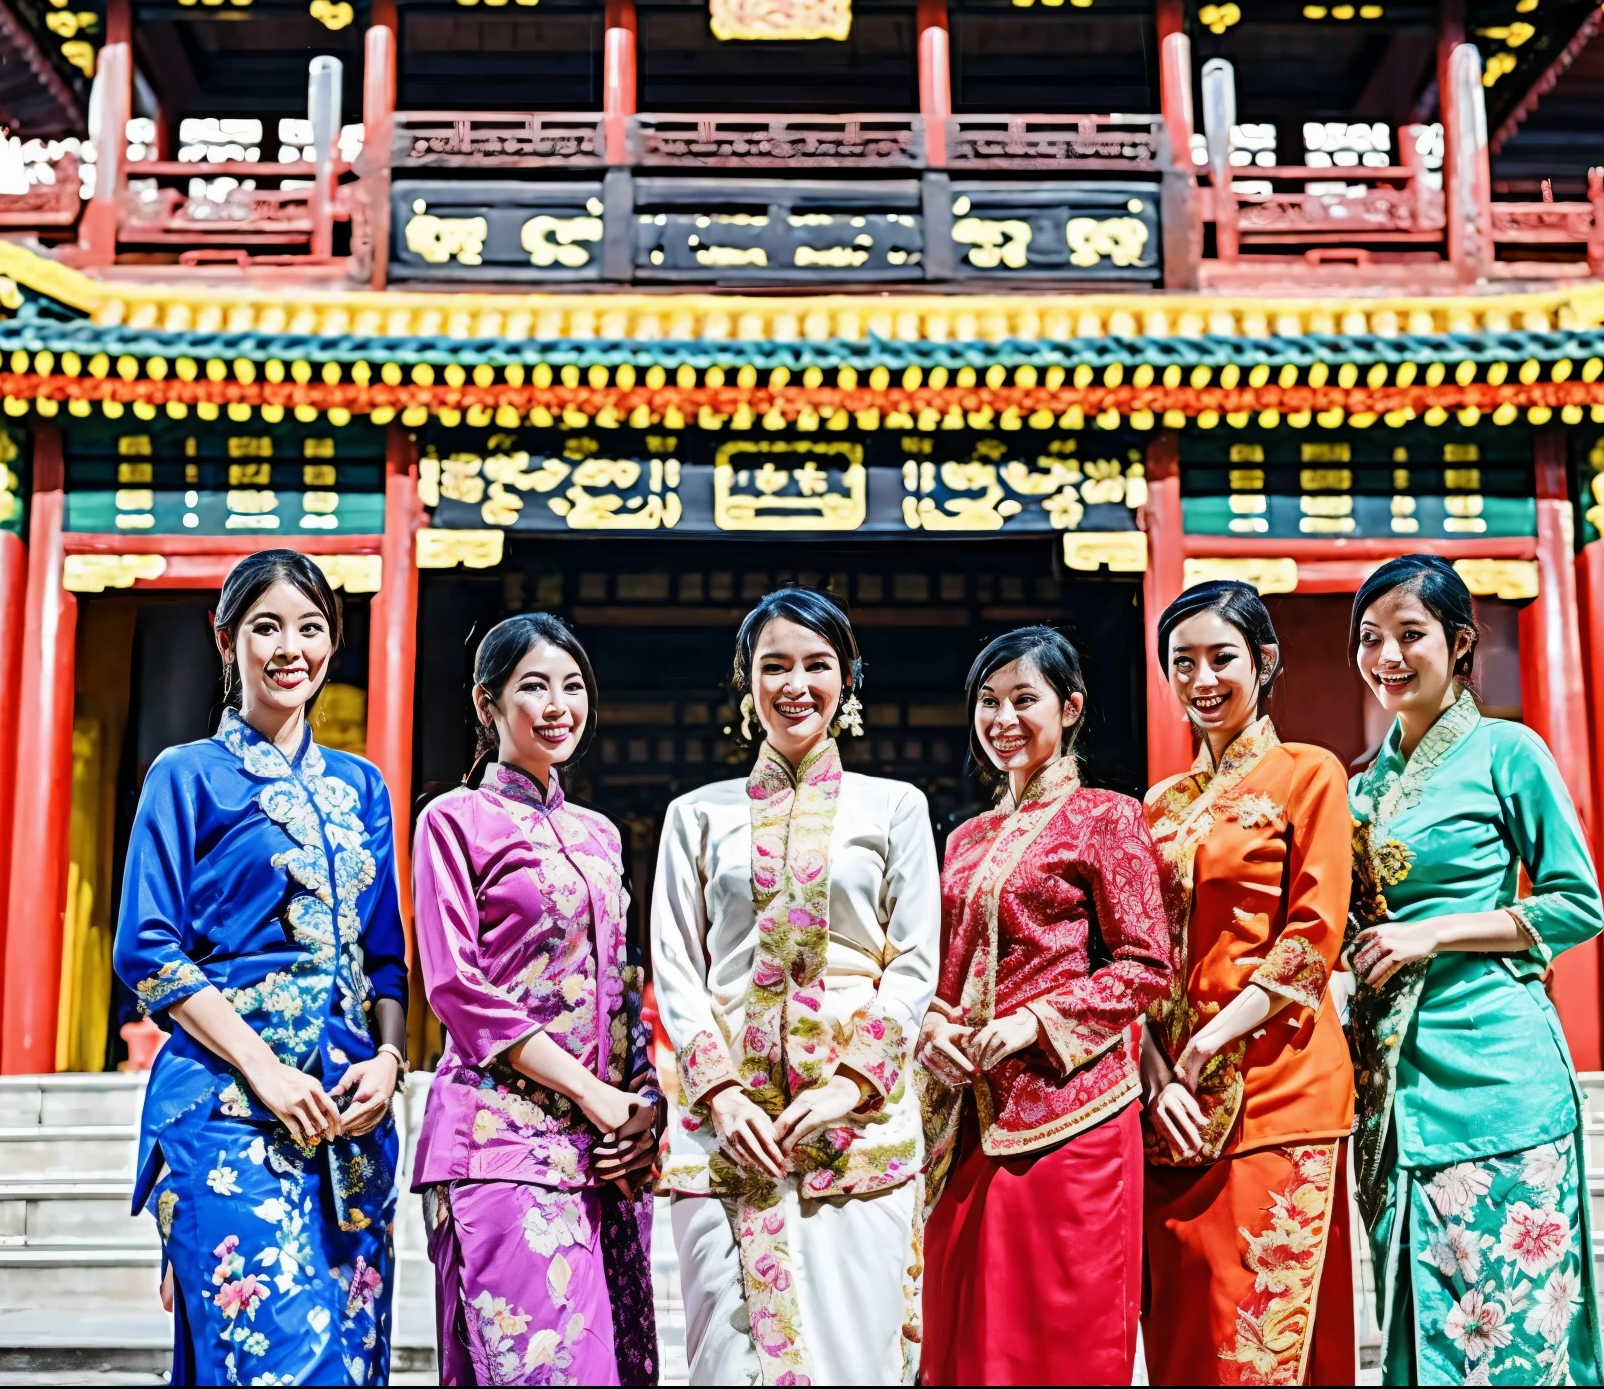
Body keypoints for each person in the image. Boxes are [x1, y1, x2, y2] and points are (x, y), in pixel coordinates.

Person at [115, 550, 408, 1387]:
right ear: (226, 639)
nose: (291, 649)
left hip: (350, 1121)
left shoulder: (363, 787)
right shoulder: (184, 776)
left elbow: (386, 957)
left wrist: (390, 1062)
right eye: (267, 627)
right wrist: (265, 1070)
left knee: (351, 1362)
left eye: (311, 629)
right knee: (281, 1363)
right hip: (225, 1109)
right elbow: (146, 946)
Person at [650, 586, 940, 1386]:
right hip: (727, 1132)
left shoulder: (896, 809)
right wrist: (723, 1093)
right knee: (725, 1360)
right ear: (747, 681)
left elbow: (915, 963)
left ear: (846, 680)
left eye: (816, 665)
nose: (794, 685)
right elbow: (677, 966)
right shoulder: (696, 816)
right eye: (774, 666)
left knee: (859, 1354)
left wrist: (850, 1085)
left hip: (857, 1132)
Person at [1345, 555, 1604, 1386]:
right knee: (1417, 1324)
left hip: (1497, 1069)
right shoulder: (1359, 789)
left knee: (1515, 1329)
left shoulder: (1507, 751)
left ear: (1460, 645)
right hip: (1391, 1082)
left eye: (1409, 635)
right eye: (1369, 638)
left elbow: (1576, 904)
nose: (1387, 656)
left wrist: (1432, 934)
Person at [411, 614, 661, 1386]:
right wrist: (592, 1092)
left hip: (605, 1152)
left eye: (573, 686)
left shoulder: (599, 836)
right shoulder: (452, 821)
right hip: (501, 1140)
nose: (559, 705)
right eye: (534, 687)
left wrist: (642, 1101)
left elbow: (622, 986)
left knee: (618, 1367)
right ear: (487, 704)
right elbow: (457, 986)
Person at [917, 626, 1171, 1386]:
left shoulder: (1107, 817)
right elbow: (942, 966)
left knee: (1061, 1331)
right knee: (963, 1334)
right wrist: (931, 1023)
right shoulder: (965, 837)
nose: (1002, 719)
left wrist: (1034, 1022)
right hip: (968, 1115)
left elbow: (1145, 965)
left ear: (1071, 707)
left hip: (1075, 1111)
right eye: (987, 703)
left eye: (1024, 700)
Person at [1138, 580, 1361, 1385]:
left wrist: (1205, 1043)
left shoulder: (1309, 774)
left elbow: (1311, 940)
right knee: (1184, 1338)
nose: (1202, 678)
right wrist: (1156, 1071)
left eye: (1221, 657)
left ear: (1264, 661)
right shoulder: (1157, 806)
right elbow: (1136, 956)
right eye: (1182, 661)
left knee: (1261, 1340)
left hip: (1280, 1086)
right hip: (1170, 1110)